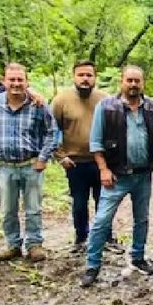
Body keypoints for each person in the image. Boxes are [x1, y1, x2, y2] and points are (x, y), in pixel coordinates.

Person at [80, 65, 153, 287]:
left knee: (142, 219)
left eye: (137, 81)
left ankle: (138, 257)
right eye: (129, 80)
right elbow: (96, 142)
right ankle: (92, 265)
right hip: (116, 175)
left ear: (143, 83)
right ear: (122, 81)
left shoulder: (150, 106)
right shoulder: (106, 107)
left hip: (143, 174)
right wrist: (103, 169)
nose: (133, 85)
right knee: (101, 221)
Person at [0, 63, 59, 262]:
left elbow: (52, 132)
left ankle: (34, 244)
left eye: (20, 80)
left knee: (33, 208)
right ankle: (12, 245)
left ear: (27, 82)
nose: (16, 84)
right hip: (4, 166)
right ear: (4, 81)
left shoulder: (38, 106)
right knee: (7, 209)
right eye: (11, 79)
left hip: (30, 165)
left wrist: (43, 157)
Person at [50, 60, 109, 251]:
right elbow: (51, 130)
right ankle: (81, 237)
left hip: (101, 162)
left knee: (105, 202)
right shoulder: (61, 101)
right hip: (75, 162)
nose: (85, 79)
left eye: (89, 75)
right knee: (79, 202)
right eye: (81, 75)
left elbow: (114, 130)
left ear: (95, 78)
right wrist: (60, 156)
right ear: (74, 77)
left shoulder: (105, 100)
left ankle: (106, 237)